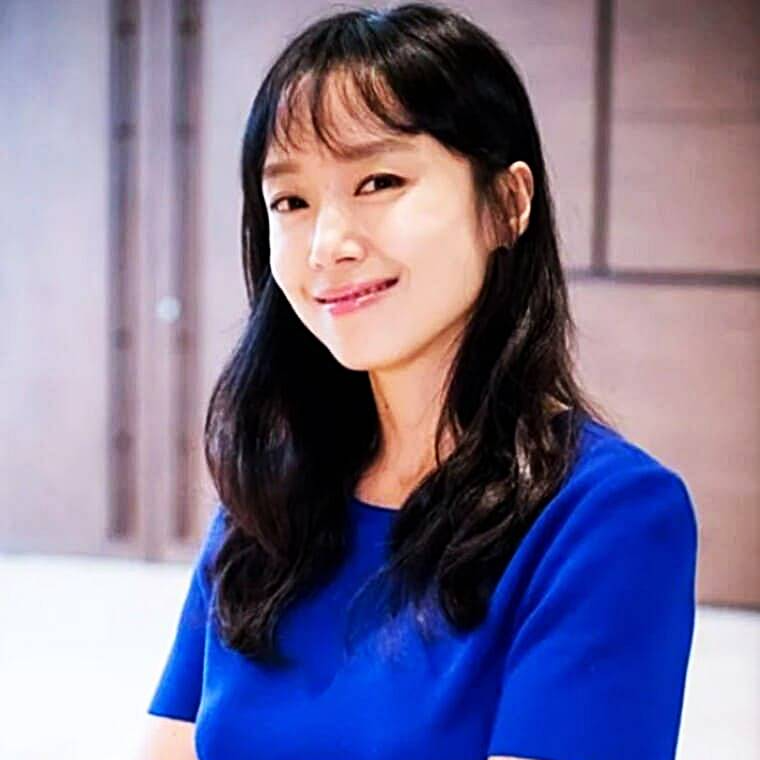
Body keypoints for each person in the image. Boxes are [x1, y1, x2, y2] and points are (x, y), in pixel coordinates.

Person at [140, 3, 699, 759]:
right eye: (291, 201)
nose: (327, 245)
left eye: (378, 181)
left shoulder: (609, 517)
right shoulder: (271, 495)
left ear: (507, 204)